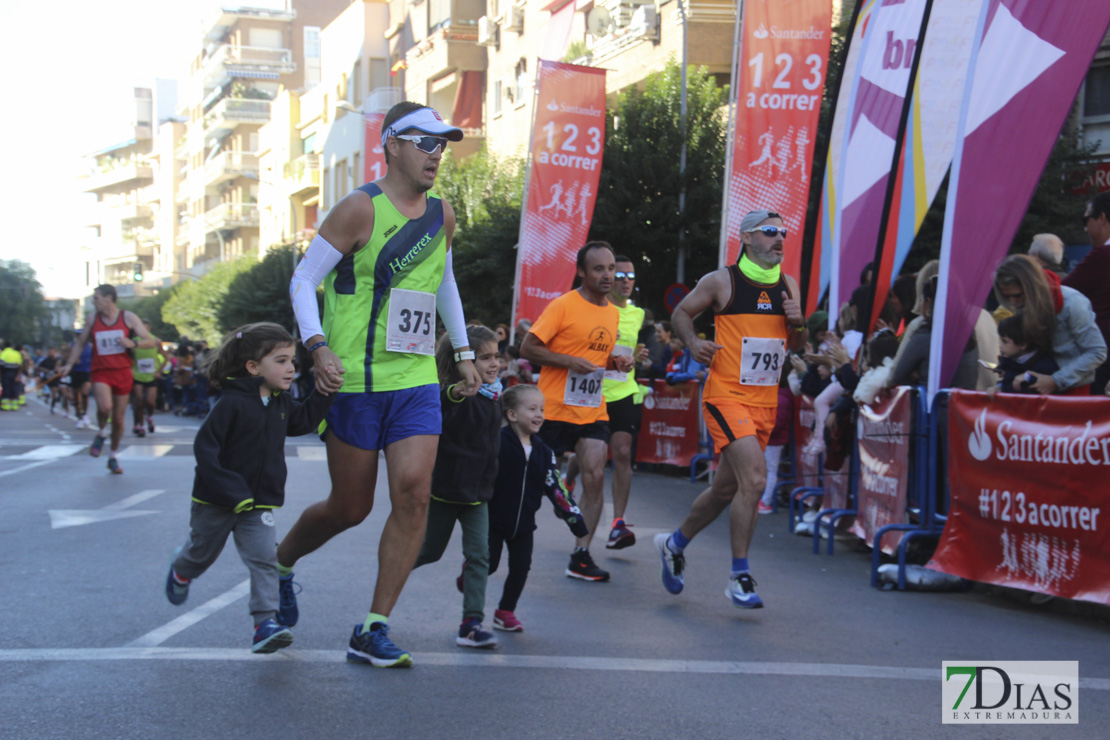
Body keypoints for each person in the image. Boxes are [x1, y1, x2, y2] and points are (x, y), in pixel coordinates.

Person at [277, 101, 479, 668]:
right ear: (393, 145)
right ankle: (282, 562)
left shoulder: (442, 214)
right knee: (349, 507)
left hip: (414, 380)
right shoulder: (357, 209)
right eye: (426, 143)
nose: (437, 155)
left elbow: (445, 283)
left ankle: (374, 625)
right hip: (355, 382)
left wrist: (460, 351)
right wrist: (317, 348)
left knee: (414, 493)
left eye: (444, 145)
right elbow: (303, 279)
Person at [654, 209, 807, 608]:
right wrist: (692, 343)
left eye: (783, 233)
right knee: (755, 480)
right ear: (747, 237)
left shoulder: (789, 284)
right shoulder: (721, 281)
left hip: (765, 402)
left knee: (725, 489)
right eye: (770, 232)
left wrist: (800, 323)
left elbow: (799, 346)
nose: (779, 239)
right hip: (726, 395)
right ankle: (740, 575)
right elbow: (682, 312)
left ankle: (674, 544)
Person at [165, 323, 333, 654]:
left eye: (292, 361)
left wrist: (325, 392)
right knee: (202, 555)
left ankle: (264, 624)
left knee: (264, 560)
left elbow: (301, 423)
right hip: (216, 502)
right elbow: (206, 450)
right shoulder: (231, 404)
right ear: (253, 368)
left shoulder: (281, 402)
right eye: (281, 361)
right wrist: (233, 491)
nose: (291, 369)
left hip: (256, 506)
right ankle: (181, 571)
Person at [519, 241, 632, 582]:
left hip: (592, 409)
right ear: (582, 272)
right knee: (530, 483)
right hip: (553, 408)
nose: (608, 275)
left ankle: (581, 554)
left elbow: (598, 357)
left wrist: (616, 362)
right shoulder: (563, 306)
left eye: (611, 268)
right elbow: (528, 348)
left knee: (596, 474)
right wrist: (568, 361)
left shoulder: (613, 312)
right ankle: (508, 533)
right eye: (599, 269)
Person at [412, 326, 502, 650]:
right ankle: (391, 573)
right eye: (485, 357)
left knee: (479, 556)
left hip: (479, 494)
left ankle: (471, 623)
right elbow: (444, 402)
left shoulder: (494, 394)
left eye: (497, 356)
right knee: (427, 552)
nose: (495, 363)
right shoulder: (455, 392)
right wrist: (454, 393)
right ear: (463, 360)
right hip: (447, 491)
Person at [487, 384, 589, 632]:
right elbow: (480, 475)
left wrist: (573, 517)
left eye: (541, 409)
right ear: (511, 415)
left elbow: (555, 485)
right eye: (531, 409)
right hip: (493, 520)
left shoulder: (544, 451)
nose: (539, 414)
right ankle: (470, 577)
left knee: (521, 568)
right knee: (488, 564)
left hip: (524, 525)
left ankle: (505, 611)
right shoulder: (497, 442)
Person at [56, 285, 158, 474]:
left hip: (123, 371)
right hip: (101, 371)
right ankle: (102, 432)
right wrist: (69, 365)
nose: (94, 302)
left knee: (119, 420)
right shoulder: (92, 319)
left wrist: (133, 342)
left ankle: (113, 455)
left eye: (96, 298)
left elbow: (150, 340)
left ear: (108, 298)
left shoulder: (128, 317)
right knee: (104, 407)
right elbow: (80, 343)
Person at [993, 254, 1106, 395]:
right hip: (1034, 388)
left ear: (1032, 286)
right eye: (1007, 297)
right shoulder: (1026, 302)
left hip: (1072, 391)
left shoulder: (1072, 302)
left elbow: (1097, 352)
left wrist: (1055, 380)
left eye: (1017, 295)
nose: (1013, 302)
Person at [598, 255, 649, 550]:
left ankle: (618, 522)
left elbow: (631, 348)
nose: (626, 281)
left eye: (631, 276)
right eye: (620, 276)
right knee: (588, 459)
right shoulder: (595, 309)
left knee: (622, 453)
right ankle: (568, 480)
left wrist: (637, 355)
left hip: (624, 390)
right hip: (593, 392)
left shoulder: (638, 314)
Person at [888, 276, 979, 390]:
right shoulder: (969, 332)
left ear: (928, 302)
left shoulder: (924, 335)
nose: (919, 305)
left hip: (933, 404)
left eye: (921, 300)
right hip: (964, 404)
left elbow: (897, 376)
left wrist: (916, 377)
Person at [1064, 192, 1110, 394]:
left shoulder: (1103, 256)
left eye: (1086, 219)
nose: (1085, 228)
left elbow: (1058, 296)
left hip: (1100, 363)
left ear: (1101, 218)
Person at [993, 315, 1059, 394]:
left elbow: (1050, 382)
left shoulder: (1044, 364)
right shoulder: (1008, 360)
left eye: (1005, 341)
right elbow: (1008, 382)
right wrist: (999, 387)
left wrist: (1028, 377)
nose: (1000, 345)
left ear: (1022, 345)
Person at [131, 319, 168, 436]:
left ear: (149, 329)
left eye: (145, 329)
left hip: (151, 376)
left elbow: (166, 358)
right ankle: (141, 426)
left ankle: (150, 417)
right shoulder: (133, 343)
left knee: (150, 402)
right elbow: (129, 359)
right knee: (139, 402)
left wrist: (159, 371)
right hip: (137, 375)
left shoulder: (156, 341)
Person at [69, 340, 92, 428]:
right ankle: (79, 418)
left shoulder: (90, 345)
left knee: (85, 393)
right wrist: (72, 359)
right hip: (75, 372)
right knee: (76, 397)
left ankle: (84, 413)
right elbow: (65, 357)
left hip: (86, 372)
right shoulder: (72, 346)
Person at [0, 341, 21, 411]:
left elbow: (1, 365)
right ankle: (14, 405)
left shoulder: (4, 353)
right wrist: (18, 375)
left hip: (6, 373)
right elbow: (20, 365)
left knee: (6, 388)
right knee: (14, 388)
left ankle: (6, 406)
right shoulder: (16, 353)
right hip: (15, 373)